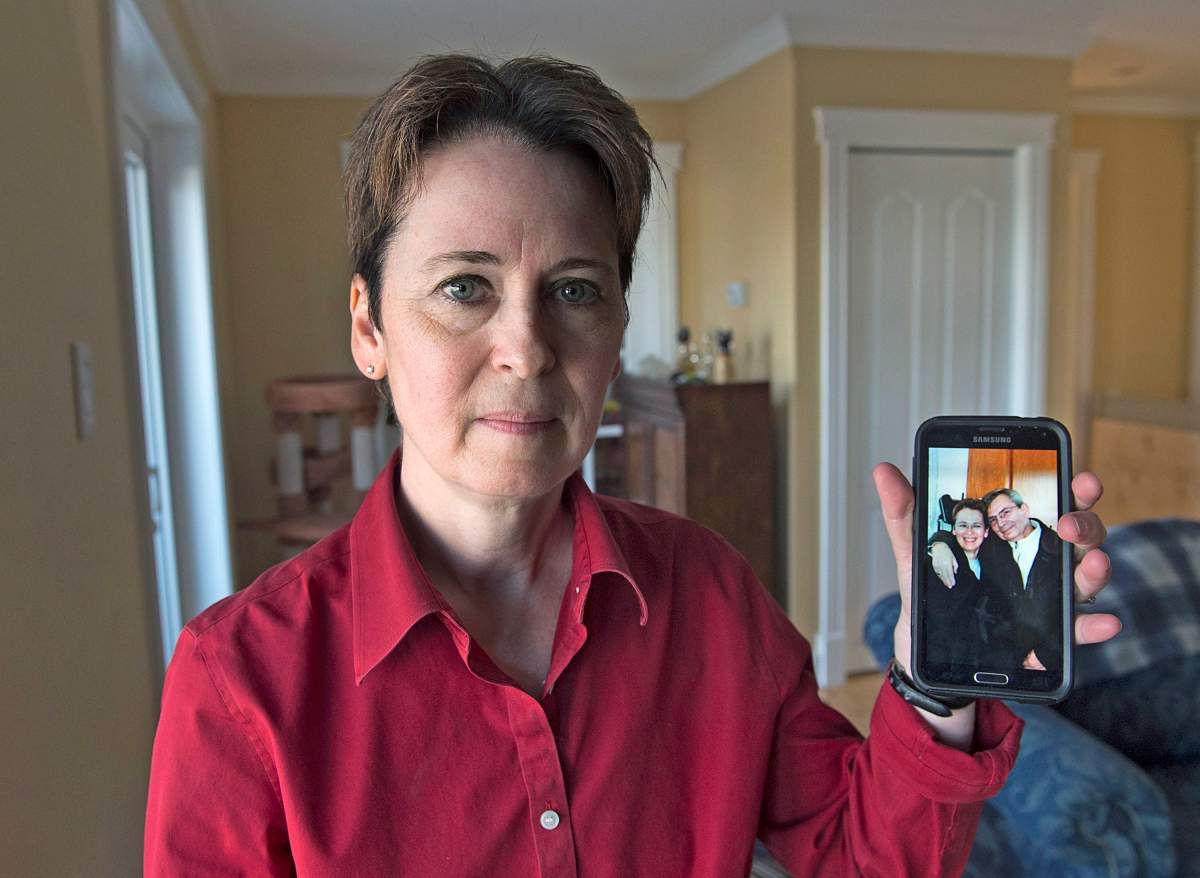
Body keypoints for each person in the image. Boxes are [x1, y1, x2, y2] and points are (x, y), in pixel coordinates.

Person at [143, 54, 1120, 876]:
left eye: (573, 289)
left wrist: (934, 686)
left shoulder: (711, 596)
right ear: (369, 329)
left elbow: (858, 856)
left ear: (615, 332)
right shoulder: (239, 682)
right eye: (465, 287)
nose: (526, 348)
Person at [931, 488, 1065, 671]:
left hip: (1043, 663)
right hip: (999, 661)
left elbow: (1072, 608)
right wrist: (939, 545)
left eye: (1005, 513)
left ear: (1024, 509)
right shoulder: (992, 545)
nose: (1001, 523)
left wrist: (1047, 655)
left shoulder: (1060, 547)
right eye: (993, 520)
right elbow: (962, 534)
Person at [923, 499, 1015, 669]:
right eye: (963, 525)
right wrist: (937, 544)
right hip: (946, 662)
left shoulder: (992, 565)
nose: (970, 532)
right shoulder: (938, 563)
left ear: (986, 532)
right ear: (953, 530)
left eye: (976, 526)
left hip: (985, 662)